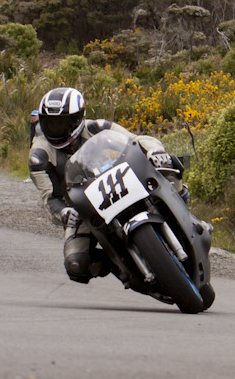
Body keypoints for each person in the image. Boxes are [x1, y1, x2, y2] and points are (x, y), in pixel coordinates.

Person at [28, 86, 185, 285]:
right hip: (82, 209)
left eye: (62, 122)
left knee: (170, 167)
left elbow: (136, 141)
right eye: (51, 123)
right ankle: (122, 266)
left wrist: (154, 151)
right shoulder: (39, 156)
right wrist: (65, 213)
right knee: (76, 264)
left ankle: (185, 210)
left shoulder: (98, 128)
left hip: (118, 182)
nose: (56, 129)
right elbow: (49, 199)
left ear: (78, 118)